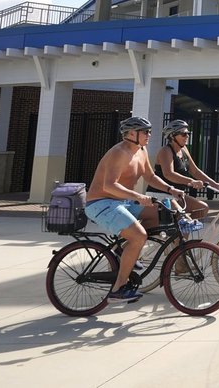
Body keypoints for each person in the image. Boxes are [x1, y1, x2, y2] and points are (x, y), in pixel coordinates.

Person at [84, 116, 186, 303]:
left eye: (149, 131)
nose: (149, 135)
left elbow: (150, 176)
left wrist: (171, 190)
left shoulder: (141, 150)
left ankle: (123, 249)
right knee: (139, 236)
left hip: (122, 202)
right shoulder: (119, 153)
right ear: (132, 133)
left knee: (164, 214)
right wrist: (139, 197)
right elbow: (109, 186)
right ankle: (118, 289)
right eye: (145, 131)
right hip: (101, 203)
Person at [150, 119, 219, 219]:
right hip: (161, 194)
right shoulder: (165, 151)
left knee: (202, 208)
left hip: (177, 195)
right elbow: (169, 174)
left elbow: (195, 171)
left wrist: (215, 185)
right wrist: (191, 181)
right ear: (172, 136)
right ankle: (180, 228)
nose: (187, 136)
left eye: (188, 133)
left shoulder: (184, 149)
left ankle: (181, 232)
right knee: (186, 221)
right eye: (183, 134)